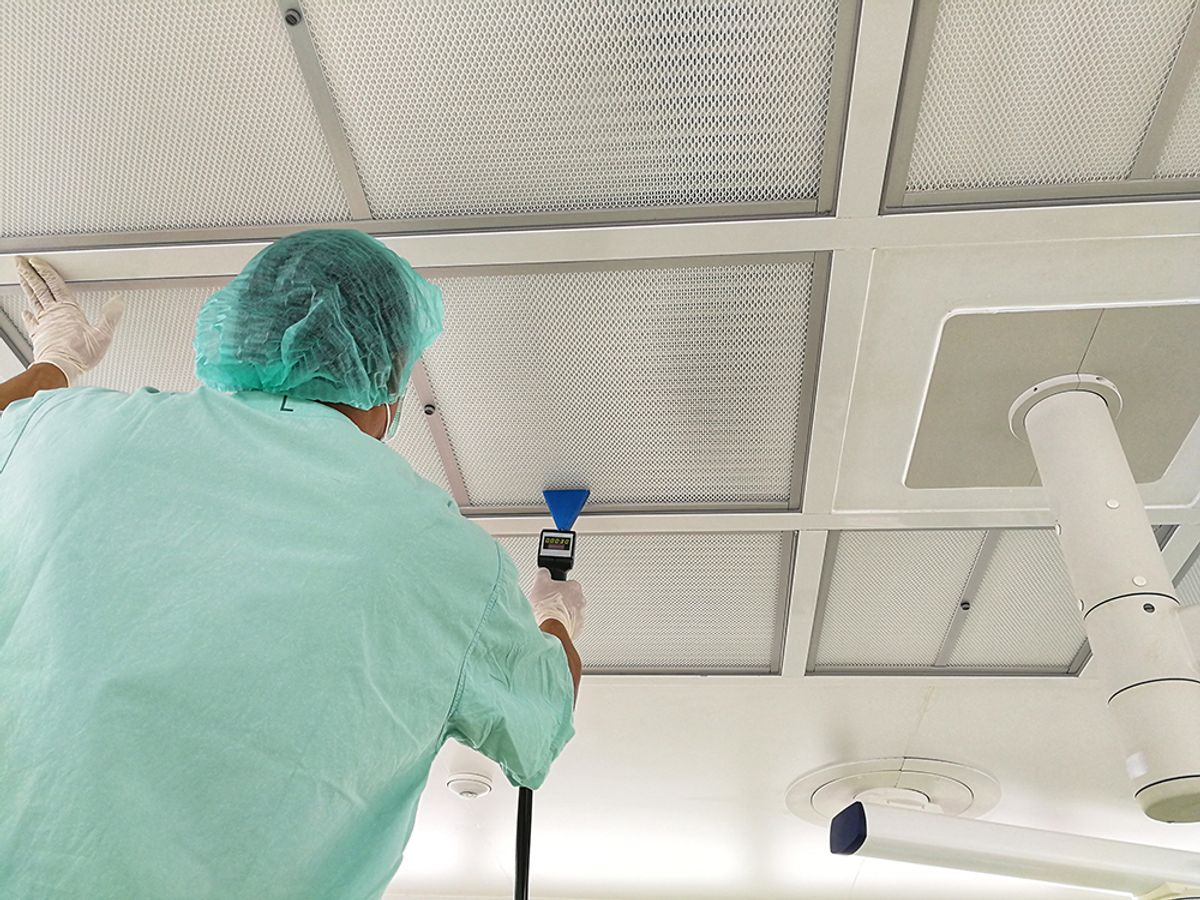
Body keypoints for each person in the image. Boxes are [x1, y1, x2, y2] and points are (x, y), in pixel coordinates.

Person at [0, 232, 585, 900]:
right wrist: (555, 619)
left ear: (239, 329)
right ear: (391, 370)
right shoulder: (434, 551)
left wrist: (55, 363)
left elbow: (12, 415)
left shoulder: (66, 435)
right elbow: (543, 711)